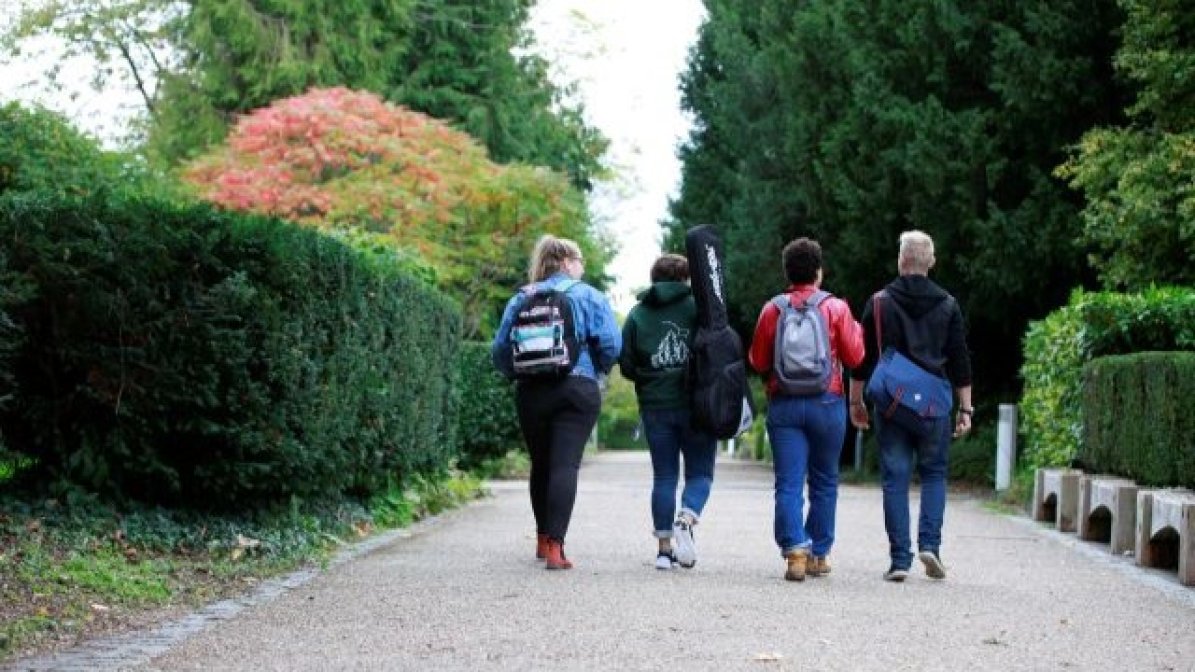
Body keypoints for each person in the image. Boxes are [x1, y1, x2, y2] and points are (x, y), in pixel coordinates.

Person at [848, 230, 973, 583]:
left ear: (901, 261)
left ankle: (900, 559)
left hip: (892, 403)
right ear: (930, 262)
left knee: (895, 478)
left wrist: (855, 401)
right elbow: (960, 359)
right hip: (934, 406)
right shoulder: (948, 304)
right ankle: (930, 544)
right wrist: (966, 408)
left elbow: (861, 358)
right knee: (934, 473)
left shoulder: (879, 302)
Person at [491, 235, 621, 571]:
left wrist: (520, 373)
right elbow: (610, 343)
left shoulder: (522, 297)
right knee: (565, 465)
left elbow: (500, 351)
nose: (582, 268)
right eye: (580, 262)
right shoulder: (589, 296)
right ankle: (556, 548)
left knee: (542, 464)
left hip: (532, 391)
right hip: (577, 387)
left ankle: (541, 538)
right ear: (566, 262)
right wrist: (598, 369)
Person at [748, 238, 864, 581]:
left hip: (784, 403)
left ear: (788, 272)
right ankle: (819, 554)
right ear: (818, 271)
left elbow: (757, 359)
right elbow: (856, 357)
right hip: (827, 401)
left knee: (788, 482)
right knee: (825, 480)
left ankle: (795, 551)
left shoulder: (774, 309)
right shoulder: (835, 307)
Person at [619, 253, 715, 570]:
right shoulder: (700, 308)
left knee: (664, 476)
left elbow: (628, 365)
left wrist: (650, 379)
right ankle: (686, 519)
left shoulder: (636, 315)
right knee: (700, 473)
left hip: (655, 406)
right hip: (697, 405)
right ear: (687, 279)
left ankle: (663, 551)